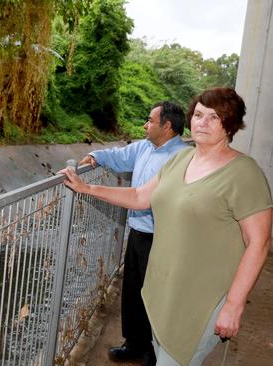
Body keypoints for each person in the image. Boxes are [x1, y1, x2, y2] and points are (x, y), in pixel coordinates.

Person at [63, 87, 272, 366]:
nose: (203, 123)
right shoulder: (181, 159)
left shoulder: (245, 173)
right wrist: (87, 187)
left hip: (201, 300)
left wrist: (233, 305)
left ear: (230, 124)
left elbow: (258, 243)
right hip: (163, 292)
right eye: (198, 115)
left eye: (214, 117)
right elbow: (139, 196)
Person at [78, 101, 188, 365]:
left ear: (167, 126)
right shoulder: (144, 147)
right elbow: (119, 156)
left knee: (157, 296)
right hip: (138, 232)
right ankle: (134, 344)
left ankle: (154, 350)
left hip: (164, 238)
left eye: (150, 121)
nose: (144, 125)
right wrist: (97, 157)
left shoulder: (182, 158)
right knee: (134, 290)